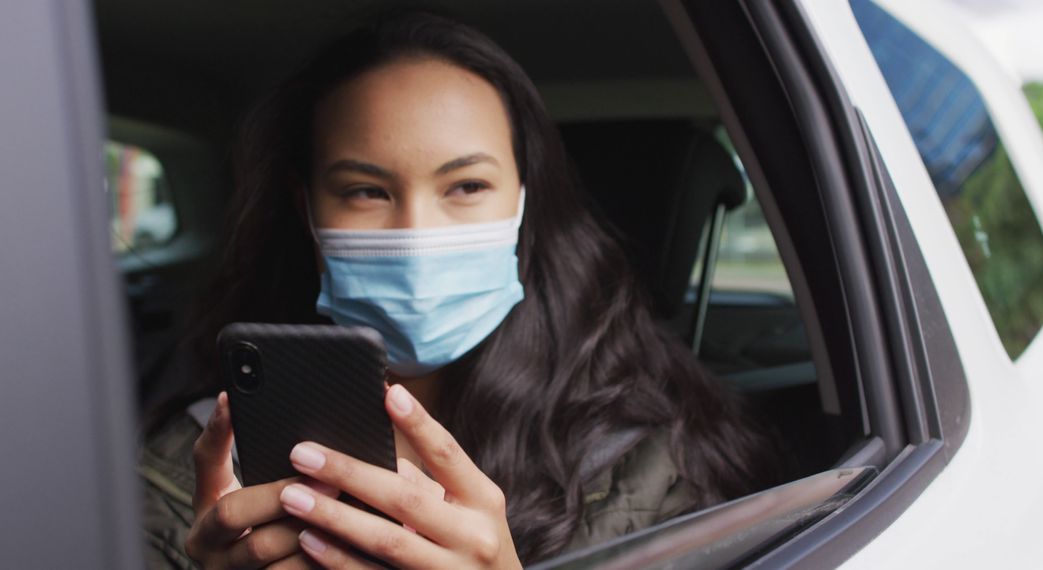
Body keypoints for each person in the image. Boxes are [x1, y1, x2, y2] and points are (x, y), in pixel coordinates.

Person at [139, 10, 784, 569]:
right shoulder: (190, 471)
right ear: (305, 210)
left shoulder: (643, 460)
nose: (417, 235)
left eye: (467, 186)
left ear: (524, 200)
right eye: (366, 191)